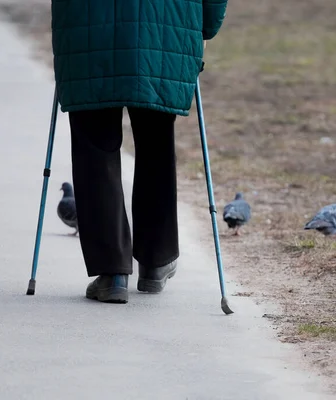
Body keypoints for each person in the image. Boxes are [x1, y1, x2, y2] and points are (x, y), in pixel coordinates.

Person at [50, 0, 229, 304]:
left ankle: (112, 273)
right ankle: (155, 261)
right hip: (166, 26)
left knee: (94, 145)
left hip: (87, 26)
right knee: (156, 141)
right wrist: (206, 26)